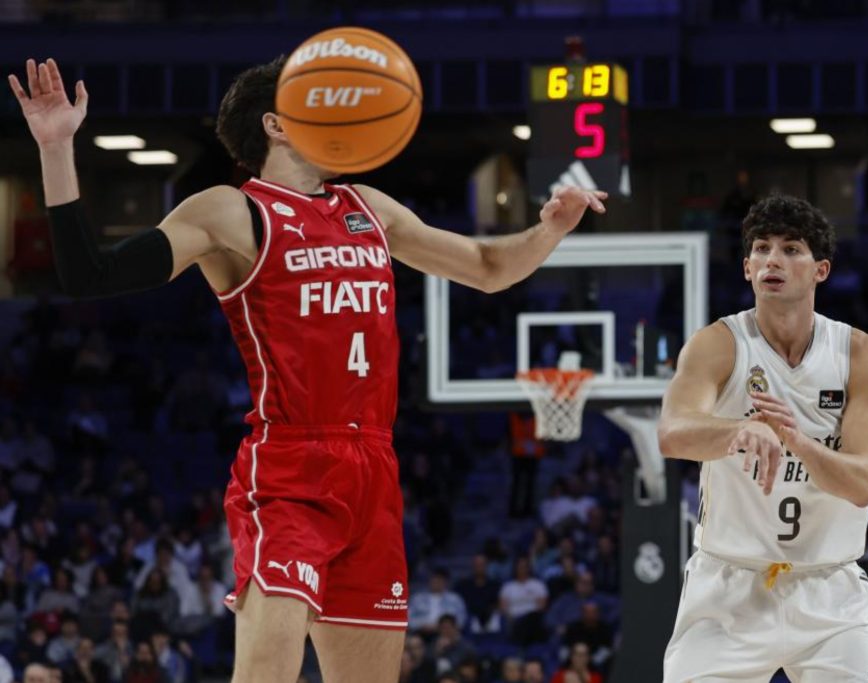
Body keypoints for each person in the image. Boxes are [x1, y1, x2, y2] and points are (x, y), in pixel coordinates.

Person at [8, 57, 605, 683]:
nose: (340, 120)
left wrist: (550, 229)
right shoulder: (231, 211)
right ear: (276, 125)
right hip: (291, 468)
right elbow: (88, 275)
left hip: (373, 468)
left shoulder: (368, 206)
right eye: (317, 109)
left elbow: (487, 266)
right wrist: (55, 147)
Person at [658, 194, 868, 680]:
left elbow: (864, 483)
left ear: (820, 270)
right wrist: (739, 429)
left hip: (829, 591)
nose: (773, 260)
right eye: (762, 249)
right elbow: (673, 434)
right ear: (746, 268)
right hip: (728, 587)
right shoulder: (717, 344)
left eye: (790, 249)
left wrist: (797, 441)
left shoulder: (861, 354)